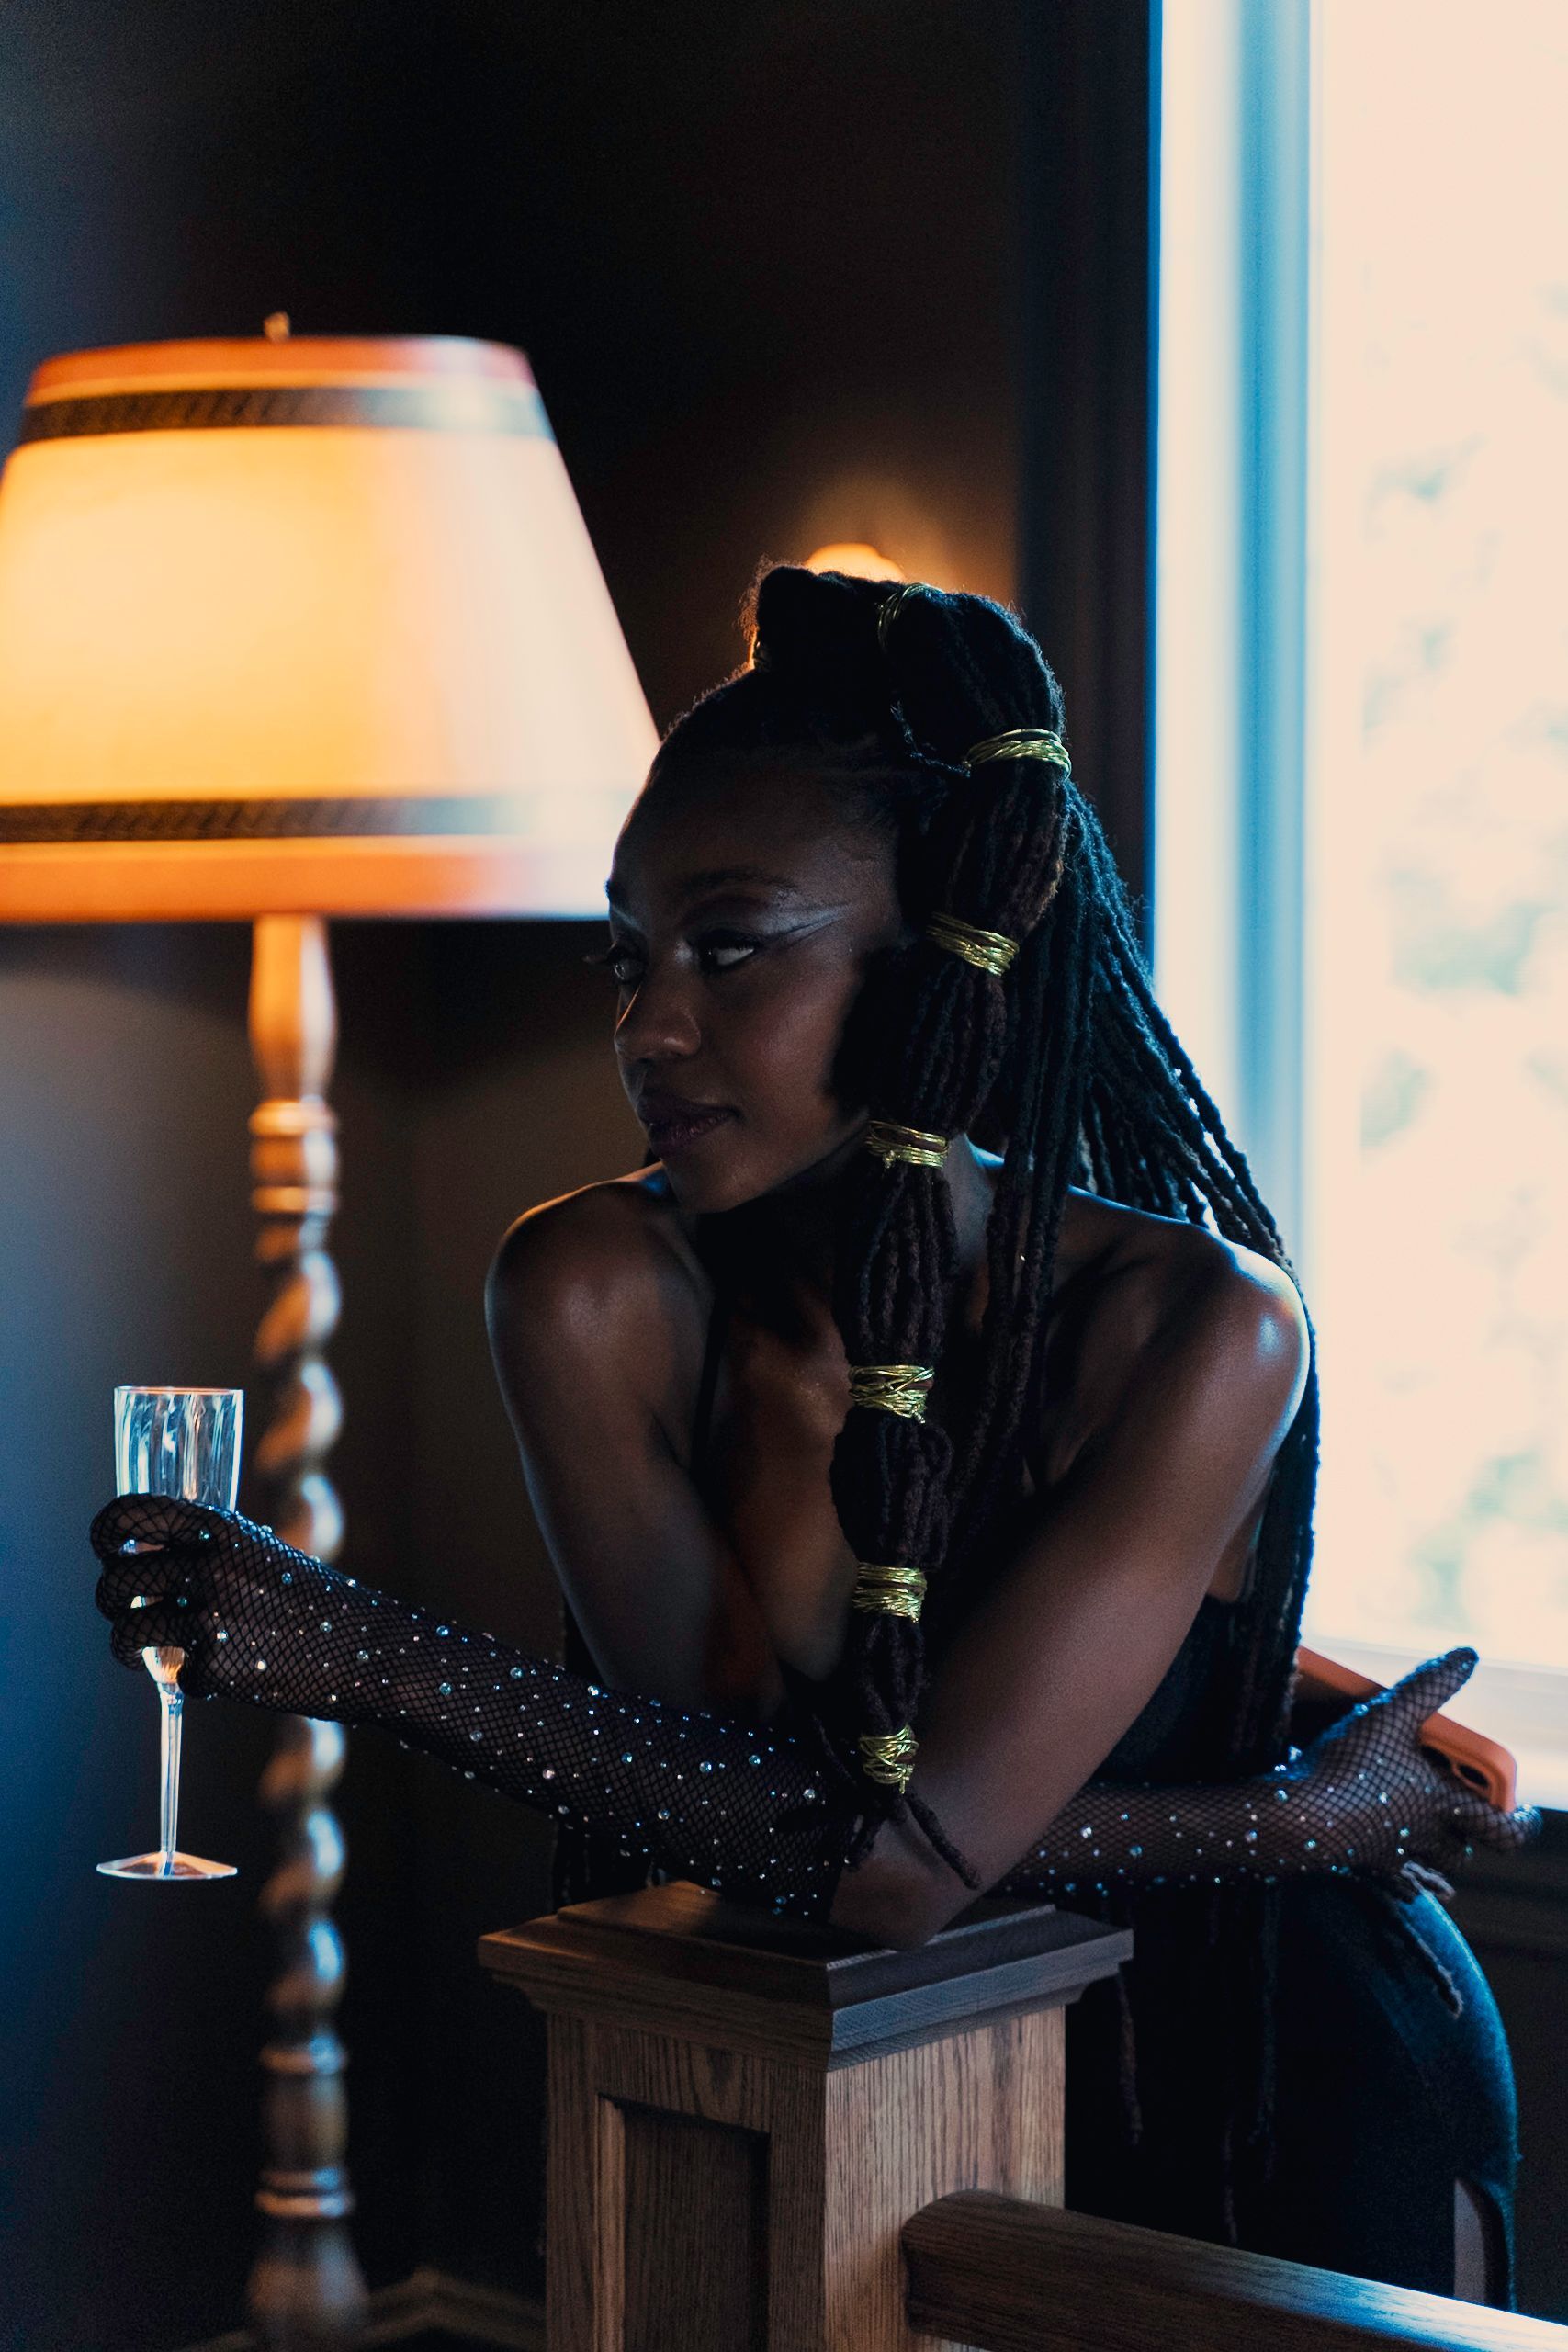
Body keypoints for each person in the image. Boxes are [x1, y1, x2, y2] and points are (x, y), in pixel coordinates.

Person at [94, 570, 1534, 2301]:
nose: (649, 1024)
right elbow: (753, 1834)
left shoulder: (1200, 1328)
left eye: (731, 943)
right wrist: (1266, 1814)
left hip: (1254, 2071)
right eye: (625, 958)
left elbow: (880, 1866)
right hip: (867, 2056)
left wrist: (361, 1655)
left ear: (943, 974)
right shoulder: (590, 1289)